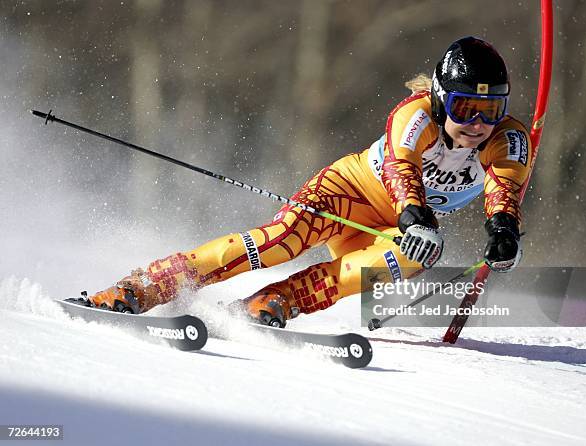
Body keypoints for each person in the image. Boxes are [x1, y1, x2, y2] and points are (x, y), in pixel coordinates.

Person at [85, 36, 531, 327]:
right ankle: (146, 285)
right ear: (438, 98)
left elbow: (503, 190)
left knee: (416, 255)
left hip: (393, 229)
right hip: (348, 192)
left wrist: (504, 232)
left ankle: (272, 303)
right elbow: (401, 171)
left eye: (489, 111)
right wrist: (415, 216)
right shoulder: (414, 115)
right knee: (279, 242)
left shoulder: (508, 139)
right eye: (464, 108)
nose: (477, 124)